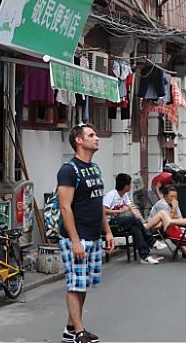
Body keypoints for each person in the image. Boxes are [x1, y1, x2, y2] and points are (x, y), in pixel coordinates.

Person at [57, 124, 115, 343]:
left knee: (83, 284)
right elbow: (65, 207)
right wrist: (75, 241)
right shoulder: (68, 170)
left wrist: (107, 232)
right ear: (79, 141)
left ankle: (71, 327)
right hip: (76, 237)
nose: (96, 138)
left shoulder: (95, 168)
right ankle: (80, 332)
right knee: (75, 283)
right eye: (91, 135)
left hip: (93, 235)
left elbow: (98, 202)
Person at [103, 173, 167, 265]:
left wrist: (142, 222)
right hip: (109, 224)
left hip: (119, 223)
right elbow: (103, 210)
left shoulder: (124, 195)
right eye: (130, 184)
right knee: (132, 219)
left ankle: (144, 257)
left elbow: (133, 210)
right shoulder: (111, 195)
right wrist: (119, 212)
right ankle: (152, 242)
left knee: (135, 228)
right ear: (126, 186)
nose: (131, 186)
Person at [146, 186, 186, 259]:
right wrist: (174, 209)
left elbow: (180, 218)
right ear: (165, 196)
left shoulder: (174, 203)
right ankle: (185, 250)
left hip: (169, 224)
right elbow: (167, 220)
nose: (174, 199)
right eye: (171, 196)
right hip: (156, 226)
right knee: (174, 228)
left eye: (175, 197)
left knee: (181, 228)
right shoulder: (163, 204)